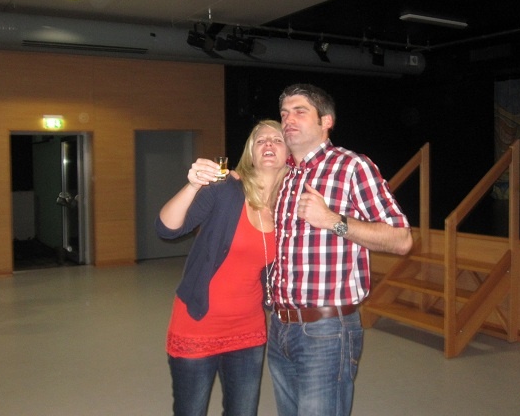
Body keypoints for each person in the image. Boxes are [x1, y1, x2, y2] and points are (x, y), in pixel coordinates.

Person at [267, 83, 413, 416]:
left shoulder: (351, 167)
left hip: (326, 330)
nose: (288, 120)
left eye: (300, 111)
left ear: (326, 121)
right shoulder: (285, 176)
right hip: (279, 326)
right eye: (284, 113)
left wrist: (333, 221)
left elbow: (401, 239)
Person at [155, 120, 288, 416]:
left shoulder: (288, 207)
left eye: (277, 139)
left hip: (248, 330)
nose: (268, 144)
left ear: (289, 153)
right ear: (250, 152)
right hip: (198, 323)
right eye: (260, 140)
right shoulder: (226, 189)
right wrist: (193, 185)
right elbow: (167, 228)